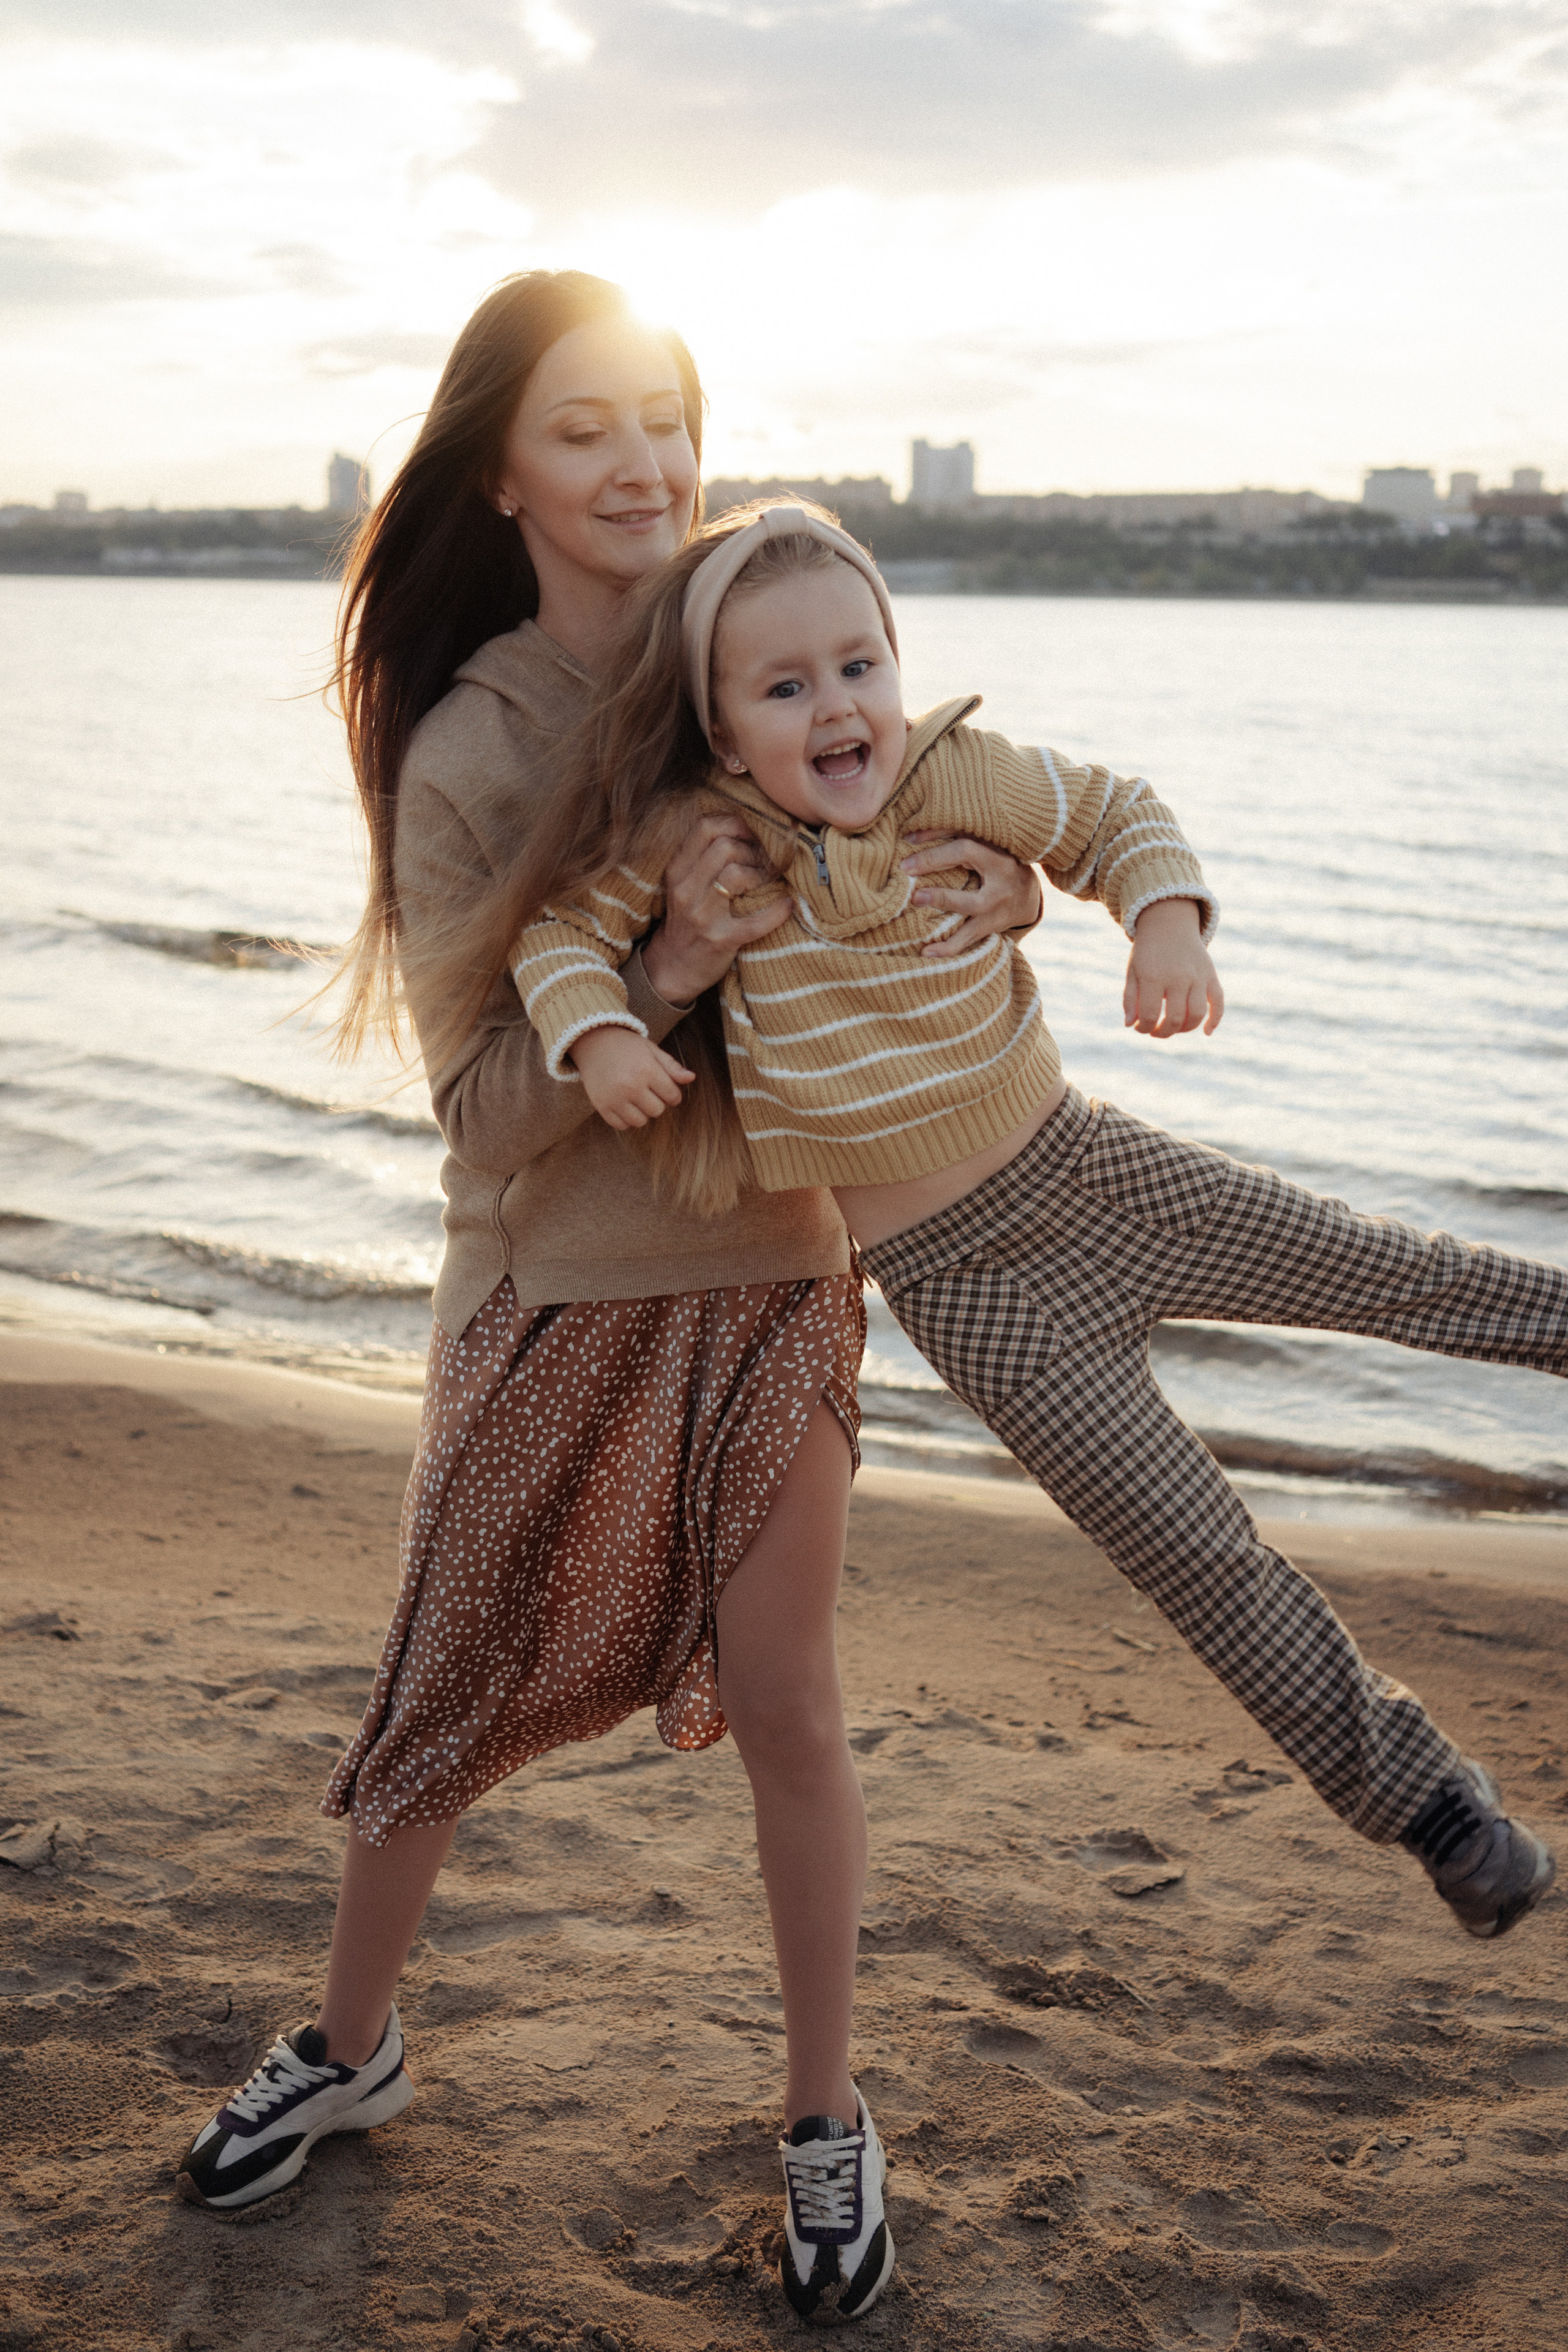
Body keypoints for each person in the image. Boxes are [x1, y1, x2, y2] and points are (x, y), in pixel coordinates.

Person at [173, 278, 1042, 2323]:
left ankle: (825, 2114)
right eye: (588, 429)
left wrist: (1006, 890)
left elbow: (940, 828)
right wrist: (645, 985)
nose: (643, 459)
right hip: (553, 1298)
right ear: (506, 470)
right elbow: (485, 1121)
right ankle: (351, 2047)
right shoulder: (475, 747)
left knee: (799, 1718)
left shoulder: (754, 653)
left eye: (666, 416)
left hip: (773, 1275)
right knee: (434, 1718)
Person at [506, 498, 1563, 1951]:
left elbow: (1111, 814)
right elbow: (558, 937)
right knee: (1194, 1553)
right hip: (966, 1291)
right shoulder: (706, 848)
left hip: (1097, 1173)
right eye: (785, 685)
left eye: (859, 664)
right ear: (718, 724)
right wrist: (606, 1037)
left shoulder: (957, 774)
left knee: (1402, 1277)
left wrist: (1163, 921)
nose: (838, 705)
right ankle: (1435, 1812)